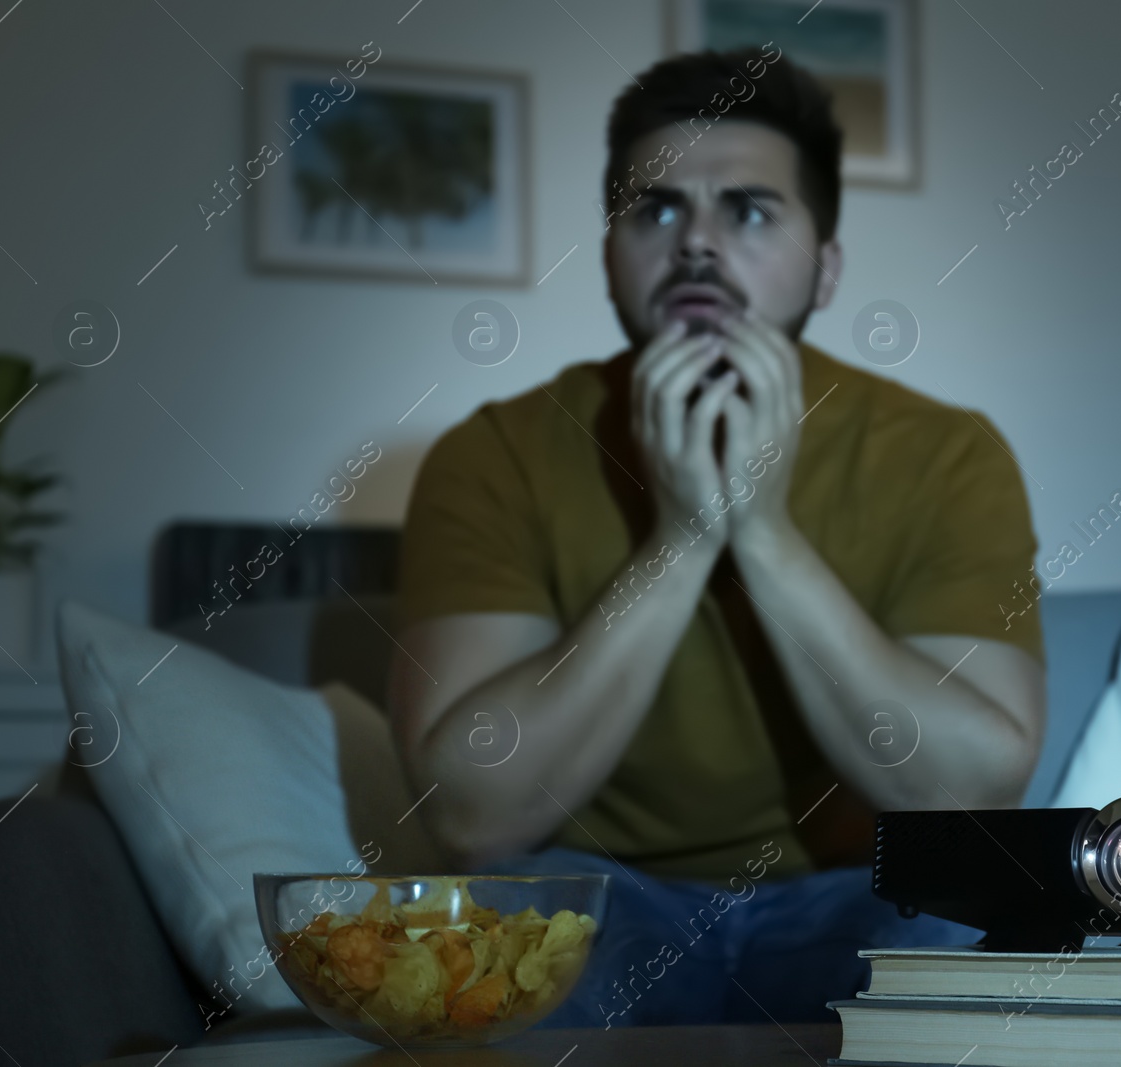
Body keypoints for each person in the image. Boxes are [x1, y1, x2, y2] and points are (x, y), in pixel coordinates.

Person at [389, 45, 1047, 1028]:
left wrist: (764, 528)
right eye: (654, 210)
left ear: (824, 267)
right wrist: (685, 534)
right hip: (597, 893)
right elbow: (473, 815)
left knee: (987, 940)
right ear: (609, 252)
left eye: (747, 210)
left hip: (859, 894)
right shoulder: (495, 452)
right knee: (487, 949)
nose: (696, 244)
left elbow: (965, 796)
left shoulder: (944, 451)